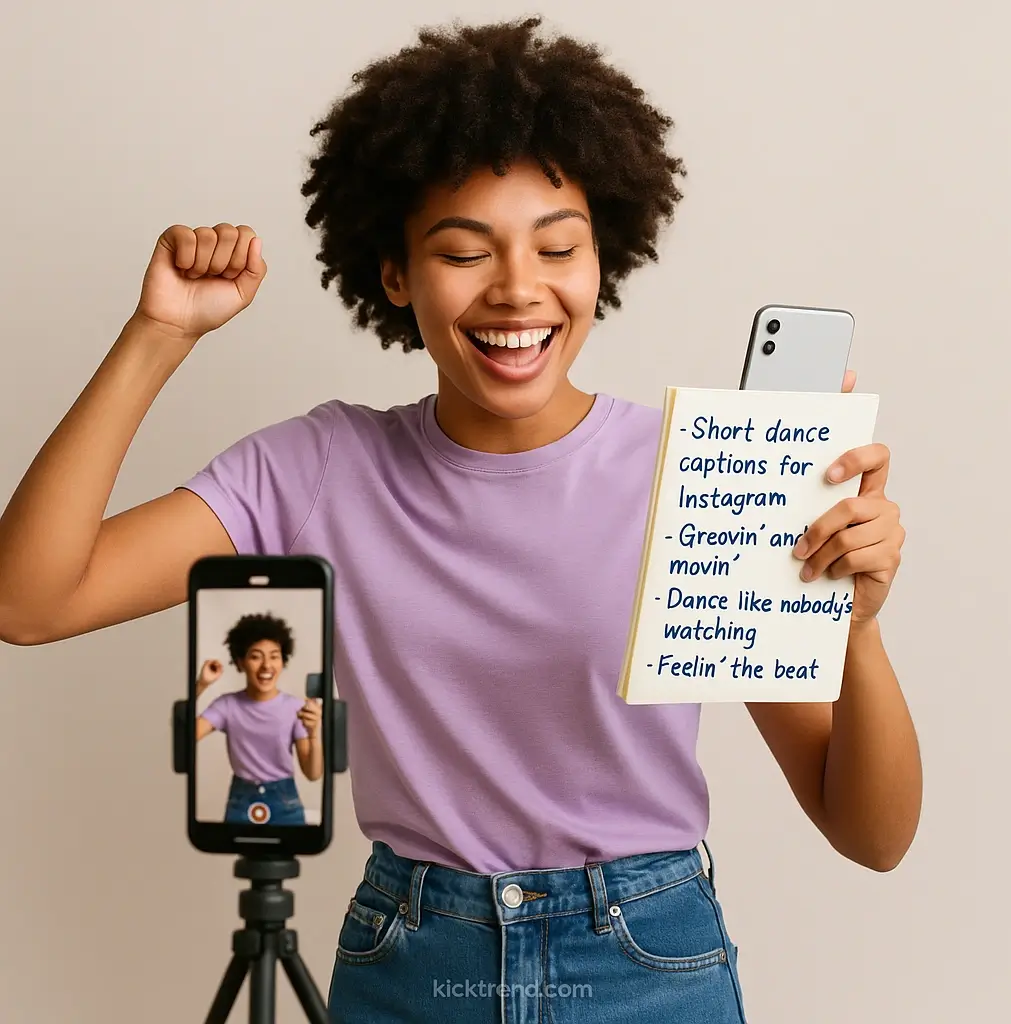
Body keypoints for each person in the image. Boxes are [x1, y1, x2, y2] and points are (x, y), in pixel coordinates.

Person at [0, 16, 921, 1022]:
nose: (518, 288)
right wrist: (158, 335)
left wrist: (856, 633)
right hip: (412, 960)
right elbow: (33, 599)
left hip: (645, 962)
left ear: (601, 259)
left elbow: (869, 833)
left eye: (557, 246)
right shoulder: (315, 467)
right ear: (394, 274)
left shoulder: (693, 476)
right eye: (462, 250)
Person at [194, 612, 323, 825]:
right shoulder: (227, 705)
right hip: (241, 800)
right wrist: (201, 685)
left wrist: (314, 732)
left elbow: (313, 773)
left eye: (274, 656)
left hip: (285, 802)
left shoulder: (295, 708)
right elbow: (187, 736)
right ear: (241, 662)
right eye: (256, 656)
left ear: (283, 660)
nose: (266, 666)